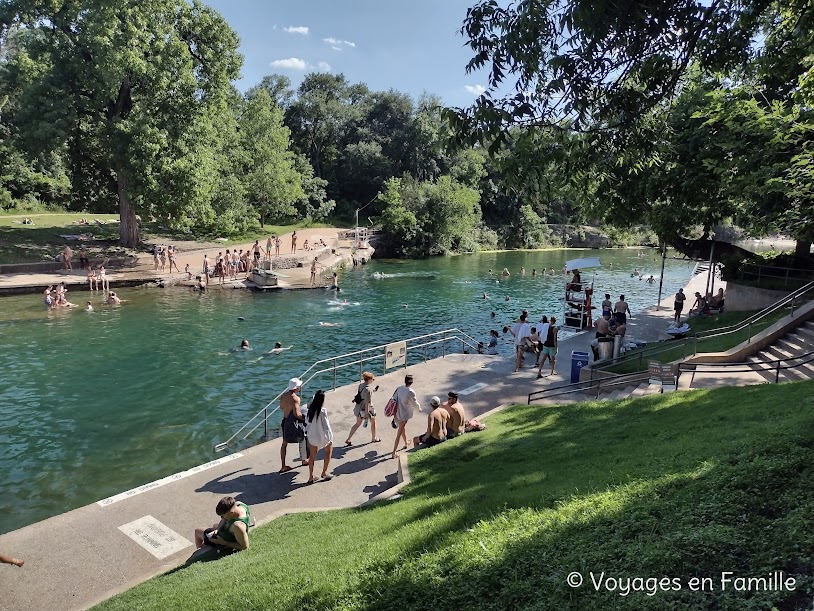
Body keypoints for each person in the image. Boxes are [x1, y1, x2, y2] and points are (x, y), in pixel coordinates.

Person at [279, 378, 308, 473]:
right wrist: (305, 418)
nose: (300, 387)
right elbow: (297, 414)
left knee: (284, 444)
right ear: (295, 388)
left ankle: (283, 465)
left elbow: (281, 407)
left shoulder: (283, 396)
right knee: (303, 436)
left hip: (285, 421)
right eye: (299, 386)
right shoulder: (296, 399)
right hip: (293, 423)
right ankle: (304, 459)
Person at [305, 390, 334, 484]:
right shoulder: (322, 411)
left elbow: (307, 423)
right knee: (328, 451)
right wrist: (330, 436)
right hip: (322, 436)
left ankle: (310, 476)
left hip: (312, 436)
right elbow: (326, 426)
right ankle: (324, 472)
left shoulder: (310, 410)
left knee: (312, 456)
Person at [345, 372, 380, 446]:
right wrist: (367, 414)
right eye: (373, 379)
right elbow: (368, 402)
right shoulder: (368, 390)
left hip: (358, 408)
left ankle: (348, 439)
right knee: (373, 422)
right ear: (369, 379)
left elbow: (361, 394)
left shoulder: (361, 385)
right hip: (365, 409)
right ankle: (374, 438)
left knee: (357, 424)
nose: (373, 380)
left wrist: (374, 390)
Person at [391, 374, 421, 459]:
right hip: (404, 415)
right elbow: (414, 402)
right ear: (412, 382)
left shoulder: (399, 388)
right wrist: (419, 408)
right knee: (399, 434)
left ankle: (406, 442)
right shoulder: (410, 391)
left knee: (402, 428)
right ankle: (394, 452)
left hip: (397, 413)